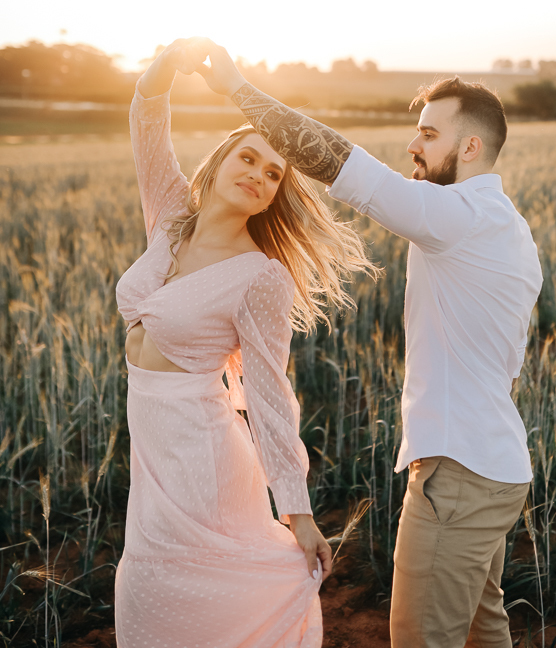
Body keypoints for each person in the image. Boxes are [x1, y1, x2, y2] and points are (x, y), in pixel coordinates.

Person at [195, 40, 543, 648]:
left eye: (429, 134)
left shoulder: (458, 216)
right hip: (498, 469)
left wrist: (238, 89)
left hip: (459, 474)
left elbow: (340, 162)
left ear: (470, 147)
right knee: (483, 629)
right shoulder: (511, 229)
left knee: (420, 637)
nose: (413, 145)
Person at [114, 37, 375, 648]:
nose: (259, 174)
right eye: (249, 158)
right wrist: (162, 69)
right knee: (146, 586)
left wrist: (298, 512)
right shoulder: (171, 218)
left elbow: (269, 396)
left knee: (194, 587)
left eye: (273, 173)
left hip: (200, 453)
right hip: (152, 448)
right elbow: (147, 127)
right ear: (219, 161)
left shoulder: (262, 277)